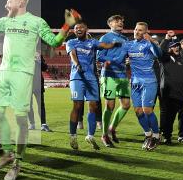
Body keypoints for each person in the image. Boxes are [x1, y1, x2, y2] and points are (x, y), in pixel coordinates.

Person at [0, 0, 70, 180]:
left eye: (8, 1)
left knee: (20, 119)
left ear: (20, 2)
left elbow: (54, 40)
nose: (5, 4)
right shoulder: (7, 20)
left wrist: (67, 26)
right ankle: (8, 152)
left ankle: (17, 162)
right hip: (4, 72)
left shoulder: (36, 22)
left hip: (23, 73)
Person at [66, 21, 120, 150]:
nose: (78, 29)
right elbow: (73, 54)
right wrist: (77, 64)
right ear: (74, 31)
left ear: (86, 29)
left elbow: (104, 45)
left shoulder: (92, 43)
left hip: (91, 78)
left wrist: (115, 43)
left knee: (93, 106)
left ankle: (90, 136)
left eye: (81, 27)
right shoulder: (71, 42)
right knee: (77, 105)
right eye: (76, 28)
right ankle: (73, 135)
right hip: (77, 77)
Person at [123, 22, 163, 150]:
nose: (136, 32)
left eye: (140, 30)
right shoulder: (129, 45)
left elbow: (159, 55)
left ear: (146, 32)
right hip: (135, 82)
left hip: (149, 81)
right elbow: (119, 55)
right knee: (138, 111)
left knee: (147, 110)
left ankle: (156, 136)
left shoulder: (148, 44)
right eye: (135, 29)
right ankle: (148, 134)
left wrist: (152, 41)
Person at [98, 14, 131, 147]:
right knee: (110, 106)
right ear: (110, 24)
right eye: (116, 21)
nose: (120, 23)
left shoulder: (126, 39)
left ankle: (112, 128)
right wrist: (110, 62)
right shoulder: (106, 37)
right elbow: (99, 56)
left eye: (121, 21)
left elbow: (127, 56)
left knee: (126, 105)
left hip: (122, 75)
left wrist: (127, 60)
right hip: (109, 75)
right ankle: (104, 134)